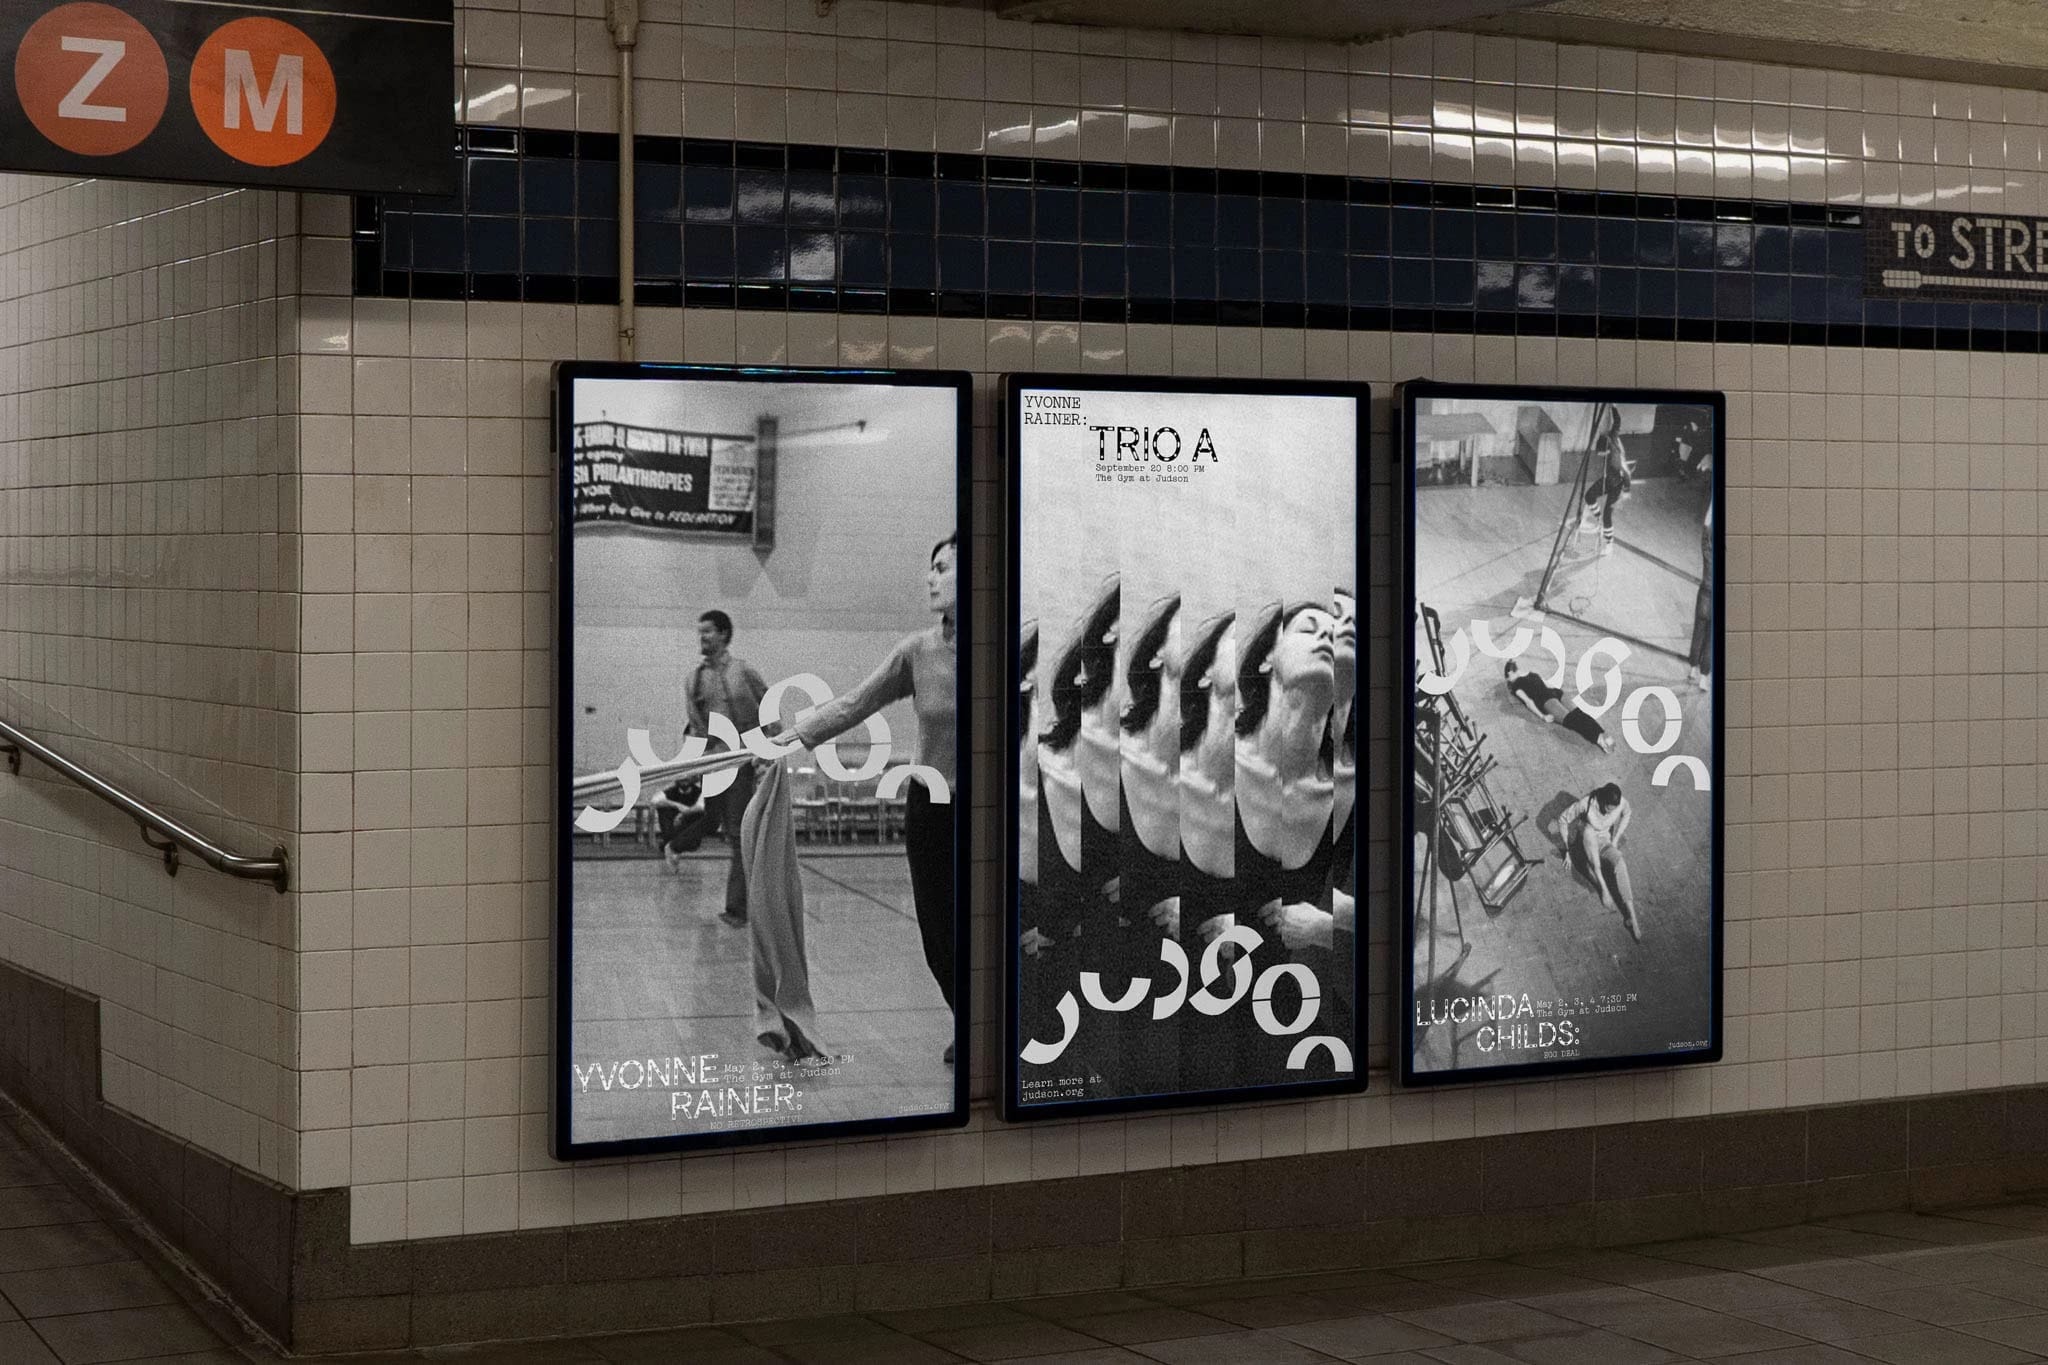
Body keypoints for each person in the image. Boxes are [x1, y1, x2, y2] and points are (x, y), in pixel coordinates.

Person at [788, 534, 961, 1065]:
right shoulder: (917, 651)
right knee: (938, 934)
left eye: (942, 568)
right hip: (931, 810)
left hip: (994, 818)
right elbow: (855, 703)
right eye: (929, 568)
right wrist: (793, 739)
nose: (930, 578)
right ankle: (970, 1016)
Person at [684, 609, 769, 925]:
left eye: (707, 631)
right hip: (713, 765)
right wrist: (694, 764)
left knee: (738, 835)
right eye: (700, 632)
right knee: (708, 823)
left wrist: (769, 753)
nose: (702, 637)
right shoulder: (694, 680)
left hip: (743, 764)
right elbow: (695, 727)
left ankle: (739, 908)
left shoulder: (743, 672)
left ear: (723, 634)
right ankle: (674, 847)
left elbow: (769, 708)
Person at [1556, 781, 1641, 941]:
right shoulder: (1586, 804)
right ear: (1602, 800)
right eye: (1608, 808)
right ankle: (1604, 889)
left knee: (1620, 863)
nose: (1609, 813)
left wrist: (1615, 839)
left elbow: (1627, 813)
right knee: (1592, 848)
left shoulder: (1620, 803)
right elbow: (1562, 819)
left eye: (1613, 810)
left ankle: (1633, 918)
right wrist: (1567, 849)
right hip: (1586, 838)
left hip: (1604, 840)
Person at [1502, 661, 1615, 752]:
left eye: (1508, 676)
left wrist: (1542, 716)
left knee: (1573, 721)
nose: (1508, 679)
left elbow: (1529, 702)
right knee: (1579, 713)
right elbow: (1547, 684)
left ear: (1512, 672)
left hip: (1546, 700)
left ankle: (1599, 739)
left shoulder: (1516, 686)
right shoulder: (1532, 674)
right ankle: (1603, 733)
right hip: (1556, 693)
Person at [1577, 405, 1633, 556]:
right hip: (1609, 479)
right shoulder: (1612, 435)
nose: (1601, 456)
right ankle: (1599, 518)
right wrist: (1614, 407)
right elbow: (1618, 421)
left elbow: (1626, 473)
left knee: (1609, 514)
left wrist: (1626, 491)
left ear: (1607, 450)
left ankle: (1609, 544)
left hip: (1616, 485)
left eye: (1602, 454)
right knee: (1589, 496)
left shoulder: (1614, 460)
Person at [1688, 497, 1713, 692]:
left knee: (1698, 631)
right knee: (1711, 640)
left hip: (1705, 592)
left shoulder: (1709, 554)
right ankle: (1704, 677)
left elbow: (1706, 530)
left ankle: (1692, 669)